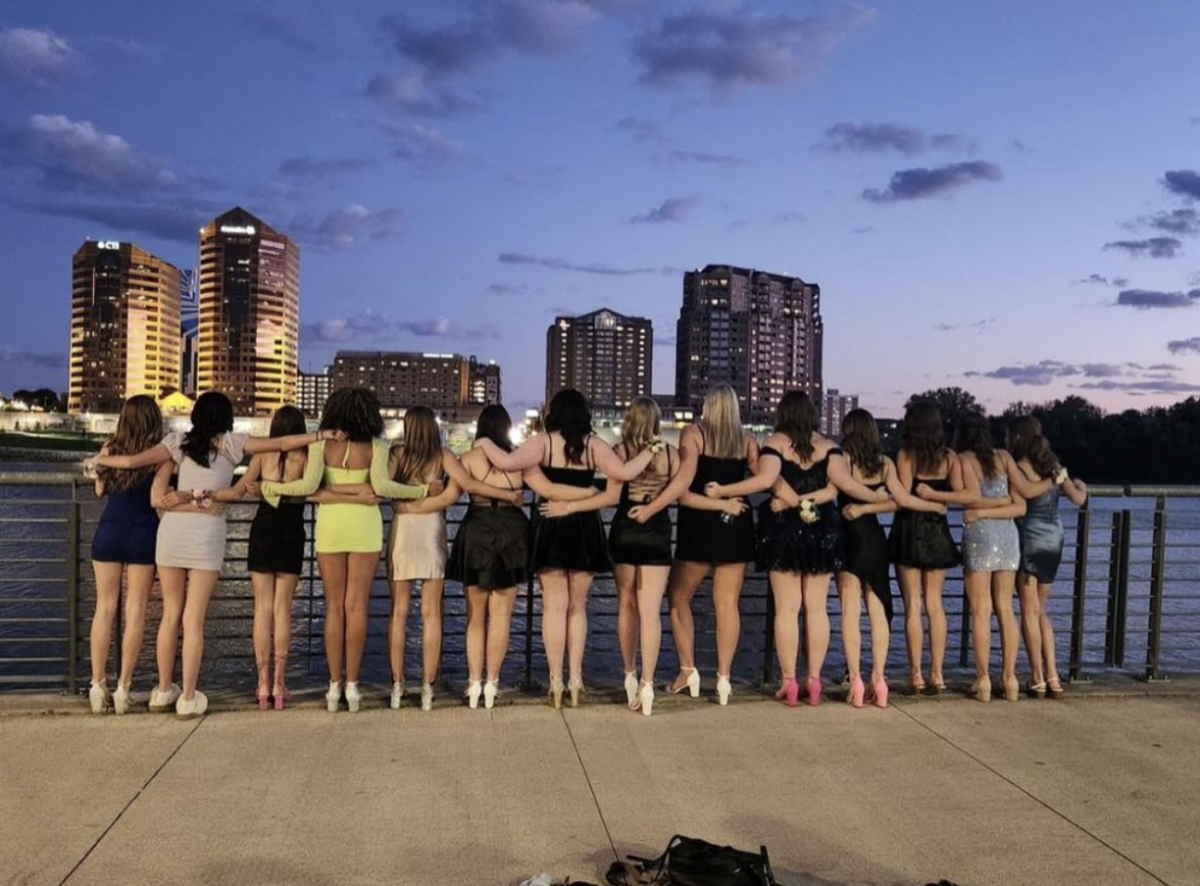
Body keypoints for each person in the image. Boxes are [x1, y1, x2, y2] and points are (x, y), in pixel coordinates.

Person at [88, 392, 332, 718]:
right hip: (206, 535)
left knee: (170, 614)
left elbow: (134, 463)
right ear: (227, 418)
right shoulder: (233, 445)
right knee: (194, 619)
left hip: (171, 535)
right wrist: (318, 435)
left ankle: (161, 690)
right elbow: (281, 443)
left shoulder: (177, 442)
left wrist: (99, 461)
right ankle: (188, 696)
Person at [703, 391, 888, 707]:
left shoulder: (775, 444)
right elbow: (842, 487)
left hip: (783, 529)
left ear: (783, 414)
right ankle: (814, 680)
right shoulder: (831, 448)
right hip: (822, 530)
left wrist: (723, 490)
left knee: (787, 609)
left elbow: (765, 480)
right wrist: (879, 499)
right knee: (817, 609)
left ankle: (789, 682)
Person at [475, 389, 653, 708]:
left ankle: (555, 682)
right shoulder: (595, 445)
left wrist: (485, 440)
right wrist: (652, 449)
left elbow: (505, 460)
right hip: (585, 526)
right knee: (578, 607)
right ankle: (576, 679)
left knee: (554, 608)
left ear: (553, 413)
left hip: (550, 522)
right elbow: (624, 476)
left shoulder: (542, 443)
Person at [257, 388, 430, 714]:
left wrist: (275, 488)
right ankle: (353, 685)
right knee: (357, 607)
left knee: (333, 607)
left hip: (331, 527)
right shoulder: (378, 447)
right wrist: (420, 490)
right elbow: (383, 488)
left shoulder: (321, 445)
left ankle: (333, 686)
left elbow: (308, 489)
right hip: (365, 526)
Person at [540, 396, 678, 716]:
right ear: (656, 421)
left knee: (625, 604)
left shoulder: (618, 453)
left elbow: (611, 496)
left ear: (629, 420)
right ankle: (647, 684)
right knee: (651, 612)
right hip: (657, 531)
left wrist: (570, 504)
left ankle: (628, 673)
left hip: (625, 529)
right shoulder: (671, 454)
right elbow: (680, 489)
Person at [448, 405, 592, 709]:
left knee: (475, 617)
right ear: (505, 428)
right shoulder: (520, 461)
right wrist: (591, 493)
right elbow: (549, 489)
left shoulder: (470, 458)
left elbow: (452, 494)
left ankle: (474, 684)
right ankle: (493, 685)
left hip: (477, 530)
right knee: (501, 616)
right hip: (513, 533)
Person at [624, 384, 756, 706]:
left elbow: (683, 488)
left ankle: (688, 669)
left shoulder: (694, 436)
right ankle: (723, 679)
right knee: (727, 604)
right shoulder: (748, 440)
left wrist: (717, 501)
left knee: (678, 597)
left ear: (708, 406)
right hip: (737, 524)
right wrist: (729, 499)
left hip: (699, 526)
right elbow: (765, 478)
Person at [836, 408, 947, 709]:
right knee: (878, 609)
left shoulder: (843, 460)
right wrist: (934, 506)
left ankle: (856, 680)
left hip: (848, 537)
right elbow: (901, 501)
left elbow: (836, 490)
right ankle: (880, 680)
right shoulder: (884, 463)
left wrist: (859, 508)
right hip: (875, 539)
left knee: (850, 612)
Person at [918, 413, 1024, 701]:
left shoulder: (962, 459)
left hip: (979, 535)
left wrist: (939, 497)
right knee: (1005, 608)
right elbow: (1020, 506)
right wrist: (1001, 502)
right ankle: (1010, 677)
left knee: (981, 610)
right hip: (1008, 537)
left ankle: (984, 679)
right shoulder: (1003, 457)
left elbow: (969, 497)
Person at [225, 405, 310, 710]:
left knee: (262, 609)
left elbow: (243, 487)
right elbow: (312, 489)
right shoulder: (306, 456)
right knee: (283, 609)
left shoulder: (263, 455)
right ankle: (279, 682)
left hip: (263, 526)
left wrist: (206, 496)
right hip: (292, 527)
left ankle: (262, 685)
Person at [86, 395, 163, 715]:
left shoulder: (109, 449)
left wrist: (98, 469)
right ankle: (124, 688)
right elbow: (158, 499)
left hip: (110, 530)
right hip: (143, 532)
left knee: (104, 608)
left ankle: (97, 684)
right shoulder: (159, 455)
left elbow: (100, 491)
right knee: (136, 611)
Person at [1006, 415, 1088, 698]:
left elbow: (1024, 493)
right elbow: (1078, 499)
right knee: (1042, 609)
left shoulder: (1018, 467)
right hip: (1055, 538)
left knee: (1029, 611)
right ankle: (1054, 676)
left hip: (1029, 539)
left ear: (1018, 438)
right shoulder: (1054, 467)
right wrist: (1081, 485)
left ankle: (1038, 677)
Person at [887, 400, 964, 696]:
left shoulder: (905, 456)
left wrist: (927, 499)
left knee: (912, 607)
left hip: (909, 530)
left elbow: (902, 497)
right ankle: (938, 674)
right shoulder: (950, 458)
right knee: (935, 604)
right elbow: (959, 494)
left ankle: (916, 674)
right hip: (938, 531)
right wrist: (938, 500)